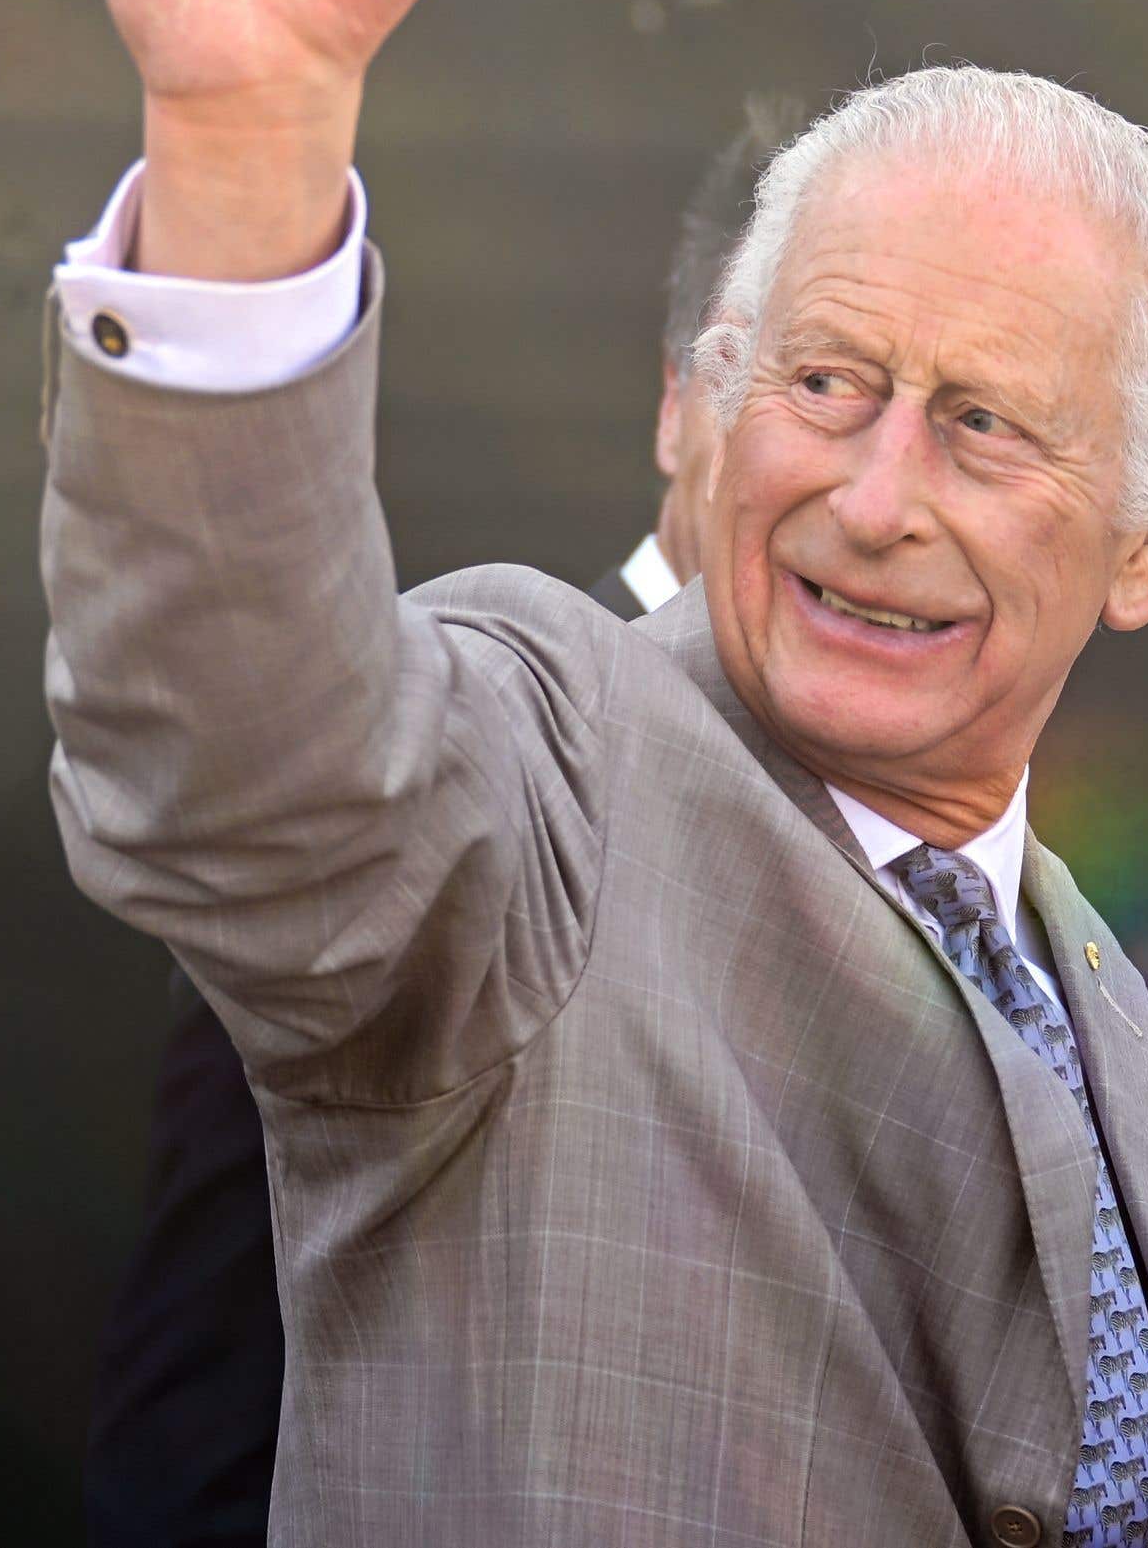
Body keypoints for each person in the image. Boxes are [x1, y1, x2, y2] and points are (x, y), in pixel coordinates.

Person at [0, 0, 1148, 1548]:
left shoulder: (1084, 974)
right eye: (827, 386)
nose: (874, 498)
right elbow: (245, 774)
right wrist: (243, 139)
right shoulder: (557, 779)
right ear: (699, 399)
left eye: (981, 429)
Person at [83, 108, 788, 1548]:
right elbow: (209, 1379)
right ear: (677, 400)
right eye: (813, 371)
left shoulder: (962, 868)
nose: (873, 462)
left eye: (960, 406)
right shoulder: (442, 760)